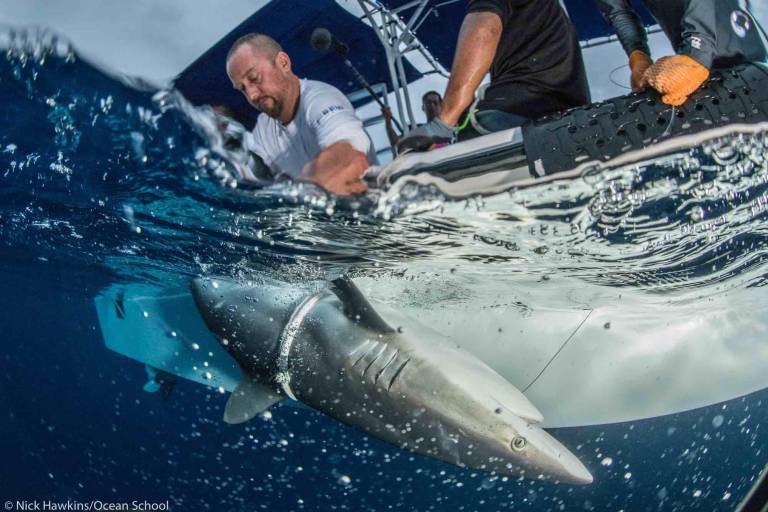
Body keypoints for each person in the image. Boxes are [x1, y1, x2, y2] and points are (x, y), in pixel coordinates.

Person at [398, 0, 591, 151]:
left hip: (517, 112)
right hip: (570, 119)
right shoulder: (548, 12)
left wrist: (443, 123)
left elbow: (484, 29)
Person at [226, 33, 376, 195]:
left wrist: (308, 188)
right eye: (242, 89)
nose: (251, 95)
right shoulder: (263, 127)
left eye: (254, 78)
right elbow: (269, 178)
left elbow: (350, 152)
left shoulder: (321, 100)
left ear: (283, 63)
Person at [596, 0, 767, 106]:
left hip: (732, 39)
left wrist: (697, 51)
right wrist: (638, 55)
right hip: (688, 50)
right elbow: (618, 11)